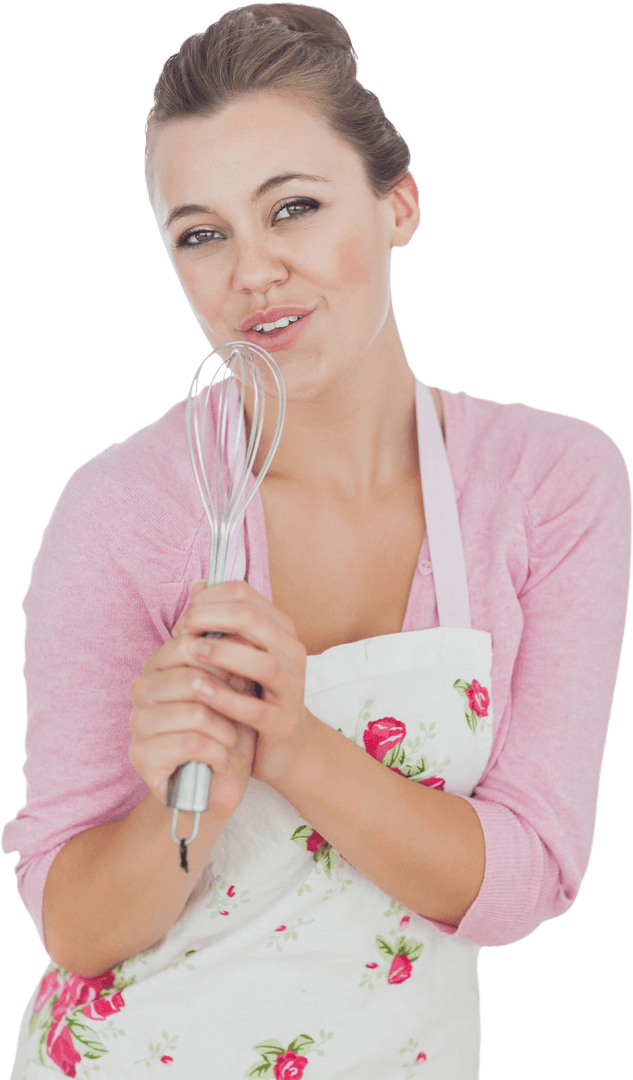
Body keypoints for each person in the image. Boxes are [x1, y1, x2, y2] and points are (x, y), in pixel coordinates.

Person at [2, 3, 631, 1077]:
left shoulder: (552, 483)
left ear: (400, 204)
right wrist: (185, 798)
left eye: (292, 208)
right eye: (202, 234)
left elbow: (526, 880)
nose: (252, 273)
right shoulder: (125, 509)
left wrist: (294, 745)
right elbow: (75, 927)